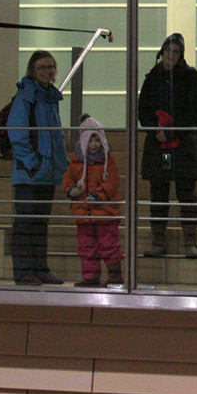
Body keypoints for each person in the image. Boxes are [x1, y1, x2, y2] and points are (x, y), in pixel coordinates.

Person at [138, 33, 197, 259]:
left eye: (176, 52)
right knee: (158, 194)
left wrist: (171, 131)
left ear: (181, 55)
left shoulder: (190, 77)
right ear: (161, 52)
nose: (171, 55)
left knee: (187, 194)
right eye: (168, 51)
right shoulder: (152, 77)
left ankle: (190, 241)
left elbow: (193, 111)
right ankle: (158, 240)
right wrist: (154, 130)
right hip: (157, 146)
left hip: (184, 144)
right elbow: (143, 110)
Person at [8, 50, 69, 285]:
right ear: (33, 71)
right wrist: (33, 164)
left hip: (47, 172)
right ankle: (24, 272)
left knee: (40, 224)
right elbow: (17, 133)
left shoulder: (50, 97)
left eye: (50, 67)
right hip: (30, 173)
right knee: (25, 223)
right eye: (42, 67)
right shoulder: (26, 96)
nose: (47, 71)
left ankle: (40, 270)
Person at [64, 115, 124, 287]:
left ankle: (115, 277)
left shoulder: (108, 160)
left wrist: (98, 195)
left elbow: (113, 180)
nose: (95, 144)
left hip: (105, 213)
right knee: (87, 247)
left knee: (109, 245)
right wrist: (70, 189)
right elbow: (67, 178)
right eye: (91, 140)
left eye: (98, 139)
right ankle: (90, 278)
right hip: (83, 213)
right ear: (84, 141)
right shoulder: (76, 161)